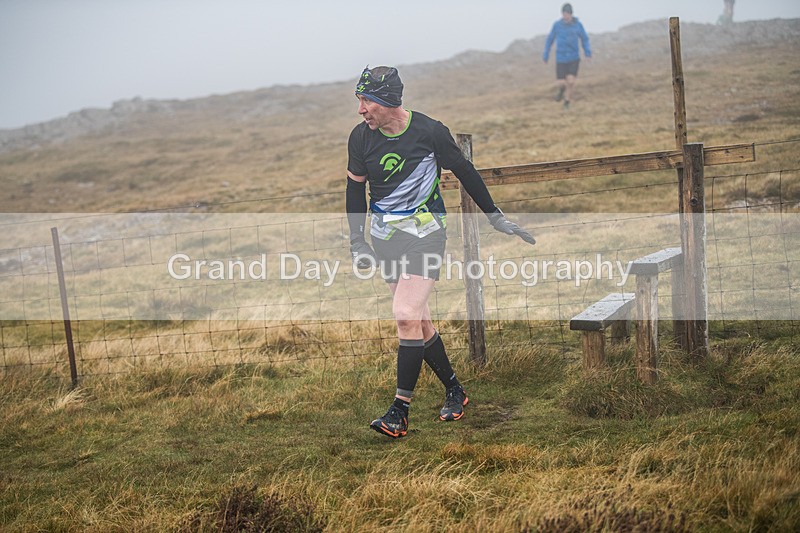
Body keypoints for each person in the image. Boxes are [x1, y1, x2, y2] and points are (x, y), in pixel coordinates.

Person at [346, 66, 536, 439]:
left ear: (388, 101)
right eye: (359, 101)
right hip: (386, 240)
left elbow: (465, 171)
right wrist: (357, 239)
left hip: (426, 235)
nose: (361, 109)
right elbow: (355, 190)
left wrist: (495, 216)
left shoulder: (430, 132)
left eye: (367, 101)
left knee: (405, 315)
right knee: (418, 321)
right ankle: (454, 389)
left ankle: (399, 411)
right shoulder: (360, 138)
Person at [542, 3, 592, 110]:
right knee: (561, 83)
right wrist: (546, 54)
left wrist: (587, 53)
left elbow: (584, 39)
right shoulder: (557, 25)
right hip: (561, 58)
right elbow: (550, 40)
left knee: (571, 81)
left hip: (573, 57)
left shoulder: (578, 25)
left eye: (568, 14)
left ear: (571, 14)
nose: (566, 17)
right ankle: (561, 90)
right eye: (564, 14)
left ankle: (567, 102)